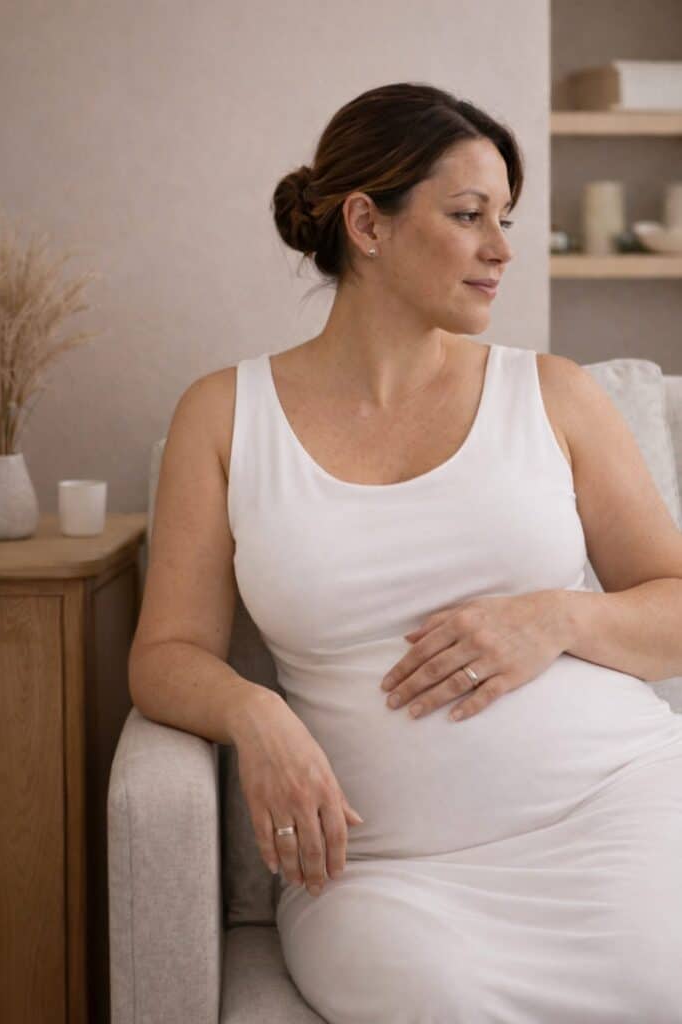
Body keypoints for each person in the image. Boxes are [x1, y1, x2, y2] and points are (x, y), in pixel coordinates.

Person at [131, 82, 682, 1022]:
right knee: (437, 1003)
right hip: (384, 875)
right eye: (468, 216)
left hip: (614, 812)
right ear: (366, 224)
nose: (501, 249)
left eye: (504, 218)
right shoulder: (225, 416)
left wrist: (557, 616)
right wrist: (252, 713)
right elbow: (165, 655)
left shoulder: (551, 394)